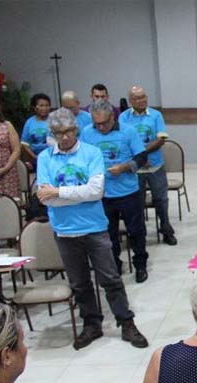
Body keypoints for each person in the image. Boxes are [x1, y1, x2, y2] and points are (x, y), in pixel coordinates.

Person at [35, 108, 148, 350]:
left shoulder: (92, 153)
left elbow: (95, 191)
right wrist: (68, 194)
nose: (64, 137)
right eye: (58, 133)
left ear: (75, 130)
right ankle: (91, 324)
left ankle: (126, 322)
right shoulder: (45, 158)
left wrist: (58, 192)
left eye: (67, 131)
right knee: (79, 282)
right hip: (64, 230)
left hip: (94, 227)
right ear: (52, 134)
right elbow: (45, 197)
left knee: (110, 278)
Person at [80, 100, 150, 283]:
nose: (101, 127)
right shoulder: (87, 133)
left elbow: (142, 156)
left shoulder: (128, 131)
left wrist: (125, 167)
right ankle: (114, 265)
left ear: (113, 117)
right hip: (101, 194)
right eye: (97, 124)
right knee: (108, 234)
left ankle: (140, 265)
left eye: (104, 123)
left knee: (136, 231)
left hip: (128, 191)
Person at [119, 85, 176, 246]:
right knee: (137, 202)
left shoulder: (156, 115)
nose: (142, 100)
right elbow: (122, 142)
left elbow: (161, 139)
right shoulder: (123, 117)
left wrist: (141, 153)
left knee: (161, 200)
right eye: (137, 98)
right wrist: (140, 157)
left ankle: (166, 230)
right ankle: (138, 235)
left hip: (155, 166)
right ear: (130, 101)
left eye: (144, 97)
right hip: (134, 168)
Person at [0, 97, 21, 199]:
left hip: (8, 171)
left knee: (11, 204)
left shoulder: (7, 125)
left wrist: (4, 169)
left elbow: (16, 150)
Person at [21, 93, 52, 164]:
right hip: (36, 158)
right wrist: (34, 157)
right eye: (41, 105)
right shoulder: (29, 122)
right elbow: (25, 143)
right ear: (35, 108)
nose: (44, 108)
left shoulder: (55, 119)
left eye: (47, 105)